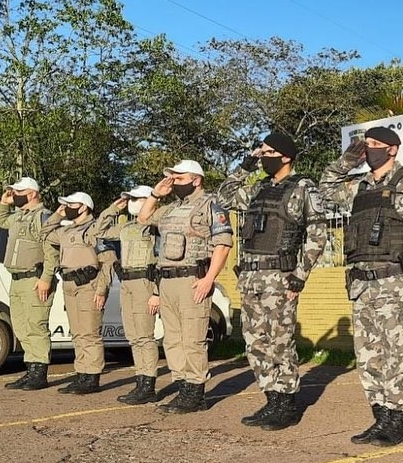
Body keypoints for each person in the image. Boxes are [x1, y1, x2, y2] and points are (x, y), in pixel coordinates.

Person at [319, 127, 403, 446]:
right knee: (368, 354)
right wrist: (348, 158)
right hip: (362, 283)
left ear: (393, 150)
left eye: (376, 145)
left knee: (396, 354)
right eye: (367, 144)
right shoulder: (359, 186)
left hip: (394, 281)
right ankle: (380, 418)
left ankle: (398, 421)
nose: (369, 149)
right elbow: (325, 189)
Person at [216, 132, 327, 430]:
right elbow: (223, 197)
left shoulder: (303, 188)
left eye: (267, 152)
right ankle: (271, 399)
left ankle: (287, 403)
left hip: (280, 279)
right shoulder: (257, 188)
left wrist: (299, 277)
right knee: (255, 343)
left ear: (286, 157)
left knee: (280, 342)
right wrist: (246, 164)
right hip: (251, 278)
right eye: (261, 152)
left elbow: (318, 236)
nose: (262, 155)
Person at [137, 160, 233, 414]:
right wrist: (156, 194)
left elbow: (223, 244)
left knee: (193, 339)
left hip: (193, 280)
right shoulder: (169, 209)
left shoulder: (210, 204)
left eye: (179, 178)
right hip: (167, 280)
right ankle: (182, 385)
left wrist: (209, 279)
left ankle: (196, 391)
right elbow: (143, 217)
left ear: (197, 179)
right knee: (173, 339)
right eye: (173, 178)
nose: (175, 182)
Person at [40, 192, 115, 395]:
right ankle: (82, 373)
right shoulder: (65, 230)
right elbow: (44, 232)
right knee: (77, 333)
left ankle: (91, 376)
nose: (67, 208)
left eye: (71, 204)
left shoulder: (96, 229)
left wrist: (101, 290)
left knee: (90, 333)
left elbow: (108, 262)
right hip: (69, 285)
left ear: (83, 207)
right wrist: (58, 213)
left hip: (89, 285)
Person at [93, 185, 161, 405]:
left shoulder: (155, 226)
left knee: (144, 336)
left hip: (145, 282)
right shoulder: (128, 227)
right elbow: (98, 232)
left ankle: (148, 384)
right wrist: (114, 208)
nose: (131, 202)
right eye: (129, 199)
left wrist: (157, 292)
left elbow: (161, 257)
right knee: (133, 337)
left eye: (135, 198)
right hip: (127, 283)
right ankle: (140, 381)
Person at [0, 177, 60, 391]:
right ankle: (31, 368)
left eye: (19, 191)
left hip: (35, 279)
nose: (15, 195)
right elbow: (1, 220)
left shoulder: (43, 217)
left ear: (32, 193)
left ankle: (39, 373)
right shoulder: (19, 216)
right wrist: (4, 202)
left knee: (36, 326)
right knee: (22, 327)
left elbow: (52, 252)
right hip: (17, 280)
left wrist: (46, 279)